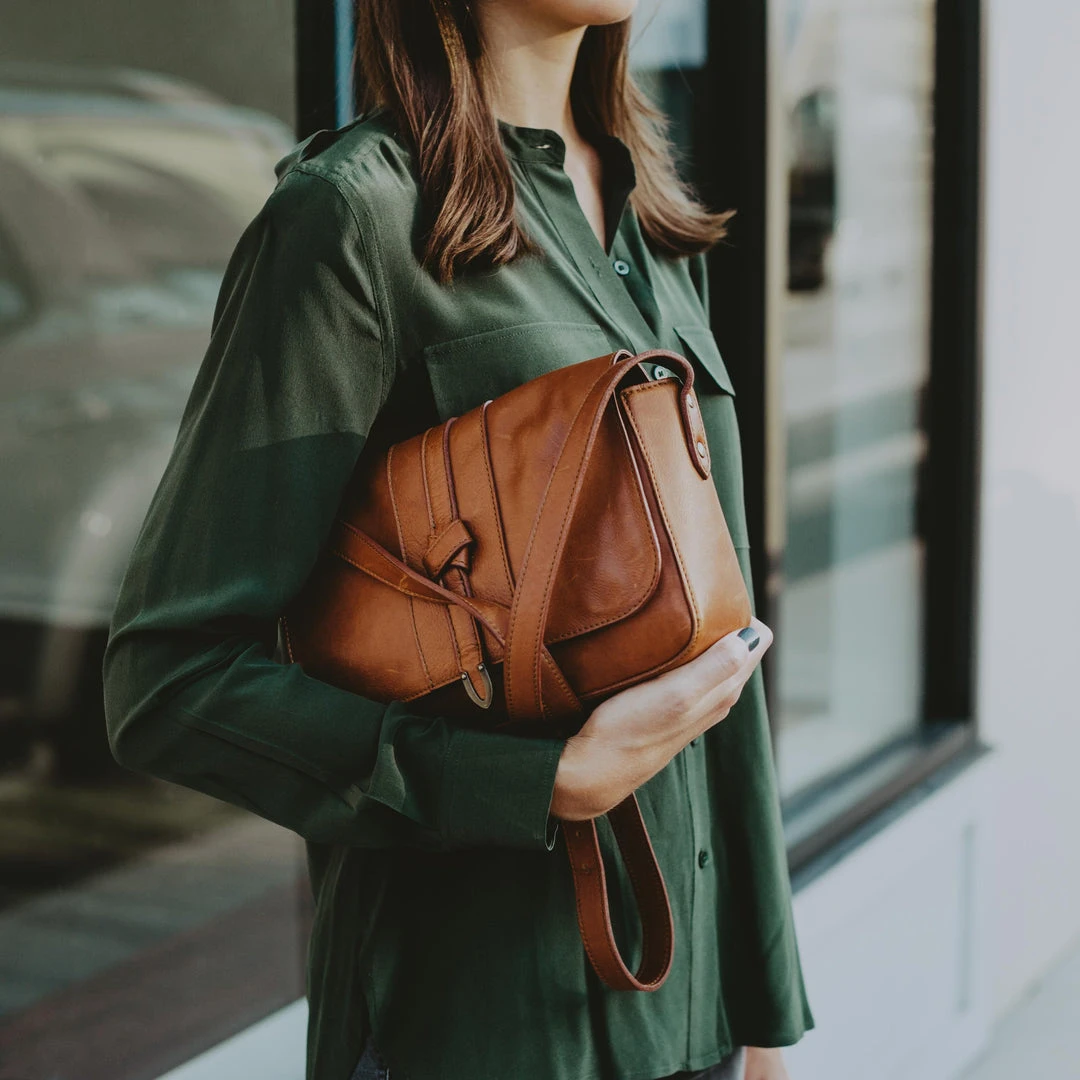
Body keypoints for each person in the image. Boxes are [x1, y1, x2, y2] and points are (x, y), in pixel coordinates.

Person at [102, 2, 815, 1079]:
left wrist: (763, 1021)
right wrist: (536, 781)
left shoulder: (653, 220)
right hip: (476, 1022)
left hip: (692, 1019)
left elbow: (727, 665)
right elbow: (168, 681)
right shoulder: (355, 219)